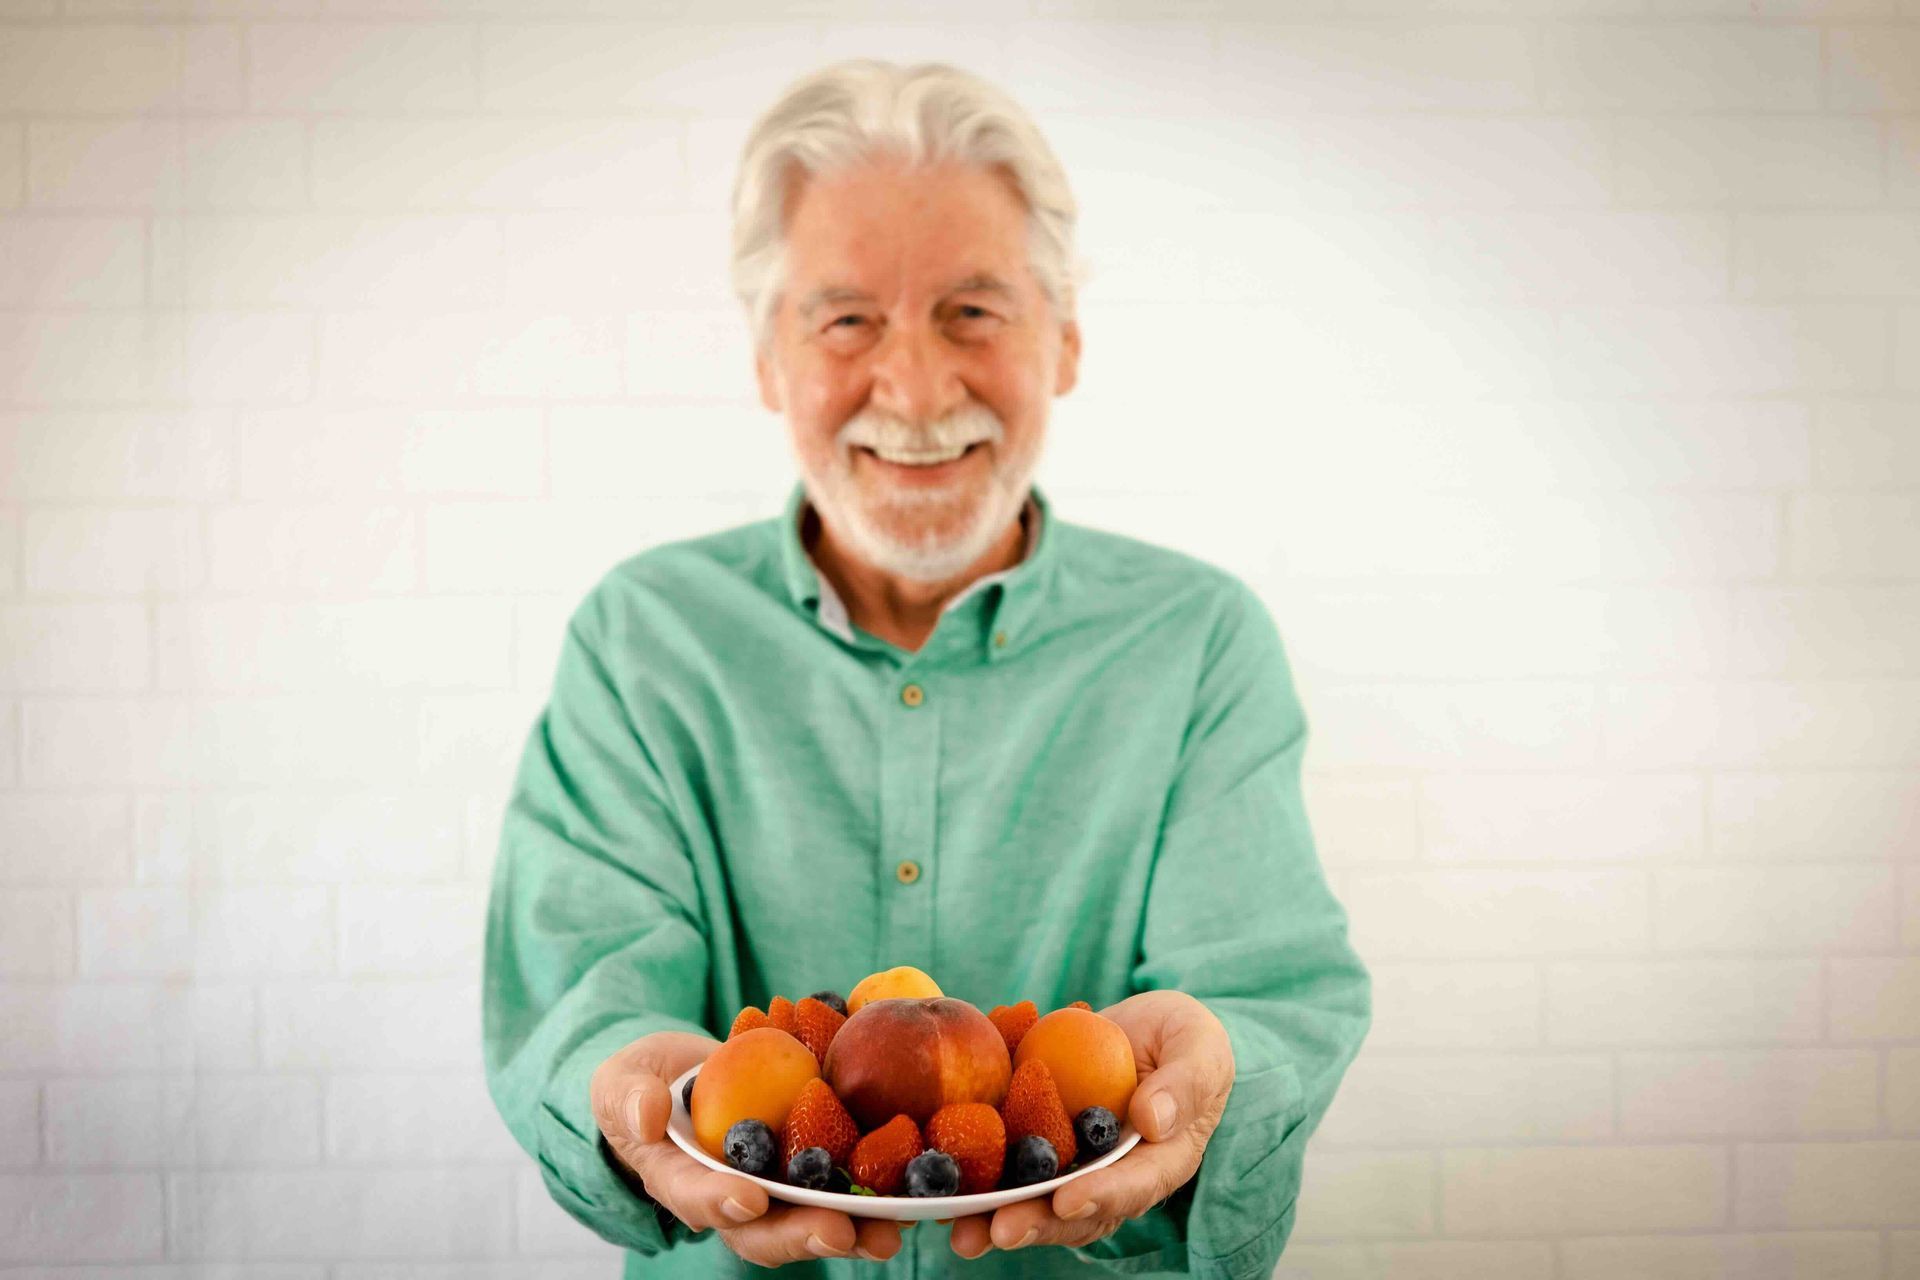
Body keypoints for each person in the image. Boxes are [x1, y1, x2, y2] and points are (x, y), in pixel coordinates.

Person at [482, 59, 1370, 1279]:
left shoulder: (1200, 641)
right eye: (847, 319)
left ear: (1062, 341)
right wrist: (631, 1079)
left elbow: (1264, 982)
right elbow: (584, 987)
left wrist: (1220, 1055)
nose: (912, 388)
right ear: (767, 361)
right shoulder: (643, 640)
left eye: (973, 311)